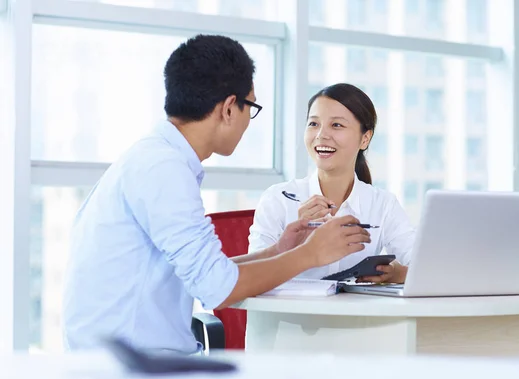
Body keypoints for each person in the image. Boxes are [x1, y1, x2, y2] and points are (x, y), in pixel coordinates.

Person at [62, 35, 370, 354]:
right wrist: (311, 254)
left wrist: (279, 250)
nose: (249, 122)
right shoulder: (163, 169)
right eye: (250, 107)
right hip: (134, 372)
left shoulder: (156, 158)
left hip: (133, 360)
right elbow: (218, 288)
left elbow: (207, 272)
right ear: (227, 109)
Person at [249, 83, 415, 283]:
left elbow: (423, 266)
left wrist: (399, 274)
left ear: (365, 139)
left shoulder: (383, 204)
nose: (321, 135)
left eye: (336, 125)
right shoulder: (278, 199)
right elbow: (252, 274)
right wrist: (298, 245)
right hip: (291, 314)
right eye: (313, 124)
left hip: (356, 314)